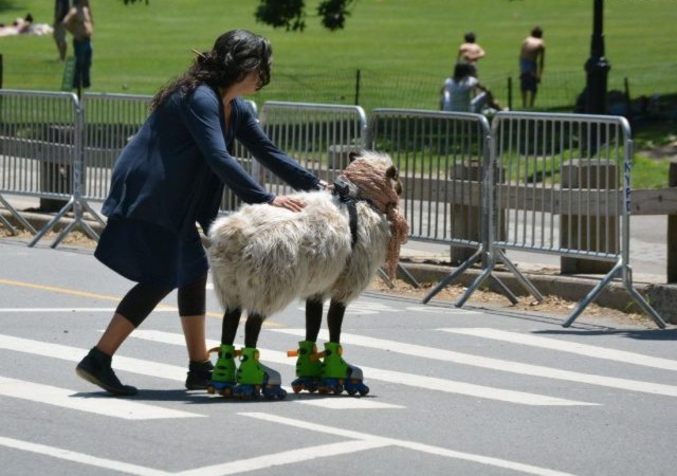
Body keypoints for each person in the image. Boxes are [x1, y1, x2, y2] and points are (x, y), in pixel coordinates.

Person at [74, 29, 328, 396]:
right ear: (240, 65)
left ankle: (199, 367)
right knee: (163, 275)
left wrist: (317, 185)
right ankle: (99, 357)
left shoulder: (234, 108)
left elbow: (268, 152)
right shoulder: (199, 98)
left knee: (192, 271)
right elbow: (218, 156)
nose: (263, 75)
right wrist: (264, 199)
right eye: (259, 66)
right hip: (154, 190)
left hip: (181, 195)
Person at [63, 0, 93, 91]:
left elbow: (90, 22)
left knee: (87, 62)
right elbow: (65, 22)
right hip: (80, 41)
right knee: (79, 63)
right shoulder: (74, 10)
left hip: (88, 40)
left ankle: (86, 83)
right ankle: (76, 83)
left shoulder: (85, 9)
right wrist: (75, 33)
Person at [519, 26, 545, 108]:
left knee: (524, 83)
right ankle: (531, 105)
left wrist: (521, 70)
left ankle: (524, 104)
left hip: (523, 62)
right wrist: (539, 75)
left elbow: (522, 54)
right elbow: (541, 61)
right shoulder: (541, 43)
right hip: (531, 63)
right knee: (533, 84)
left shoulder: (527, 40)